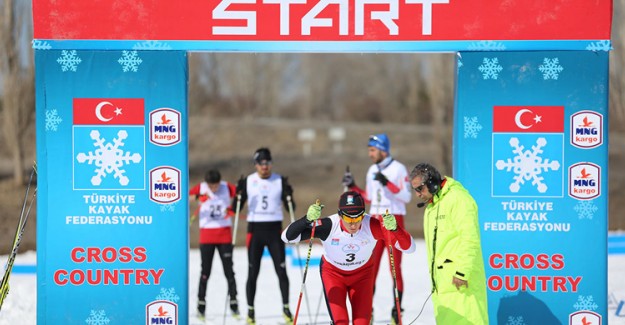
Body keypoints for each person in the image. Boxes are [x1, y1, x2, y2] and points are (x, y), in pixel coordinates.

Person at [281, 191, 416, 325]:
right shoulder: (329, 225)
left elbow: (409, 248)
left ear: (363, 215)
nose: (353, 224)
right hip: (333, 274)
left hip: (363, 276)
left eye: (357, 219)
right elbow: (286, 237)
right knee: (341, 322)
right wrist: (306, 220)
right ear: (340, 215)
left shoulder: (372, 225)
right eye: (348, 219)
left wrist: (395, 229)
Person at [341, 133, 412, 324]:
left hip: (393, 219)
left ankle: (397, 312)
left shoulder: (398, 169)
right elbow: (369, 197)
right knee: (369, 268)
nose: (370, 154)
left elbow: (407, 197)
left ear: (383, 149)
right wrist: (353, 186)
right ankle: (367, 310)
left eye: (372, 150)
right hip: (373, 221)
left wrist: (387, 183)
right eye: (369, 150)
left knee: (394, 268)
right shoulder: (371, 169)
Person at [409, 163, 489, 324]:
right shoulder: (432, 207)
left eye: (420, 189)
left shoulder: (459, 199)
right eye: (415, 190)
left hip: (461, 282)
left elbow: (470, 239)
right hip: (442, 285)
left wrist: (462, 272)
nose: (417, 194)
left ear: (432, 183)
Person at [233, 147, 295, 325]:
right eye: (261, 164)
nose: (264, 167)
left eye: (267, 163)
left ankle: (286, 308)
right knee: (253, 272)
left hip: (275, 231)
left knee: (281, 271)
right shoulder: (248, 181)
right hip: (256, 230)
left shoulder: (280, 180)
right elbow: (236, 208)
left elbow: (292, 207)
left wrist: (289, 194)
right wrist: (238, 194)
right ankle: (251, 311)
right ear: (255, 165)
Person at [189, 169, 240, 320]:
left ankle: (234, 303)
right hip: (207, 236)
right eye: (211, 187)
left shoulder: (226, 186)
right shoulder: (202, 187)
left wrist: (232, 208)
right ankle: (201, 305)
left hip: (224, 235)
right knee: (205, 272)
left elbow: (240, 195)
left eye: (215, 186)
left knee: (229, 271)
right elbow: (187, 197)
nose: (213, 189)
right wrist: (198, 197)